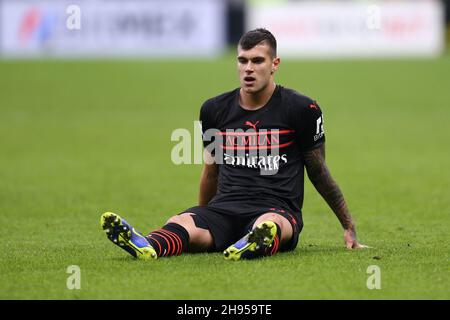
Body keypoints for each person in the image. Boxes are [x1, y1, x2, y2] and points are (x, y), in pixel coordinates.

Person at [100, 28, 367, 261]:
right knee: (180, 222)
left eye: (257, 61)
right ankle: (148, 245)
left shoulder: (302, 109)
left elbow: (319, 172)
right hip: (225, 209)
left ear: (275, 64)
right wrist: (201, 213)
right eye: (242, 60)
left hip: (277, 209)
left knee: (271, 225)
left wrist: (348, 225)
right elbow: (211, 171)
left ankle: (253, 242)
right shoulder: (214, 109)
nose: (248, 68)